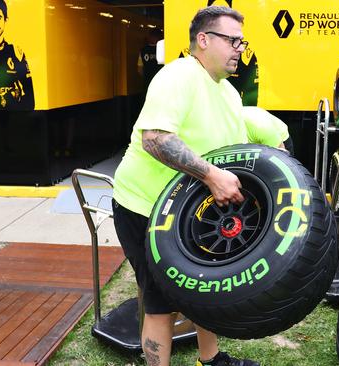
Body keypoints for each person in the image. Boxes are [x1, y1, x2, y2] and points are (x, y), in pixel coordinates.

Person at [113, 6, 287, 366]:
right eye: (232, 40)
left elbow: (237, 138)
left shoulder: (227, 92)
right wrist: (210, 176)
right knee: (162, 303)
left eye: (242, 41)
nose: (240, 48)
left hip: (184, 210)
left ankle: (211, 360)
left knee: (202, 290)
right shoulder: (179, 76)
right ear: (204, 40)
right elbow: (156, 139)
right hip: (145, 207)